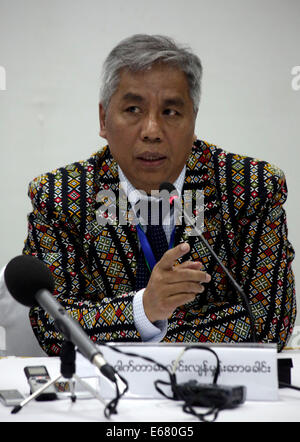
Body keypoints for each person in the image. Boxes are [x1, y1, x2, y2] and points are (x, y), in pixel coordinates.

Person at [23, 34, 296, 356]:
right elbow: (52, 324)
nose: (151, 130)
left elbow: (268, 326)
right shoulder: (61, 197)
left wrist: (136, 326)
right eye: (134, 109)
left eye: (170, 112)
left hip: (216, 390)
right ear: (103, 119)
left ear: (193, 120)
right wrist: (145, 307)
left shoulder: (251, 189)